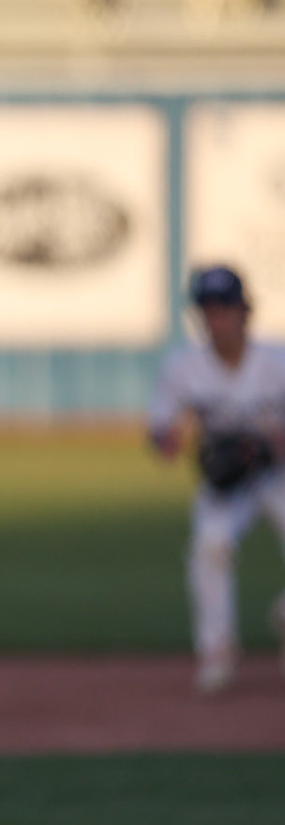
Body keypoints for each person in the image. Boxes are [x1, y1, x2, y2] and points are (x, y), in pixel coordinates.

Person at [148, 265, 285, 695]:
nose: (216, 319)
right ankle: (217, 650)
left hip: (280, 474)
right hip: (229, 482)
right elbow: (160, 429)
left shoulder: (277, 362)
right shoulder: (184, 366)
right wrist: (170, 441)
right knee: (210, 546)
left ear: (245, 311)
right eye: (208, 311)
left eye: (224, 309)